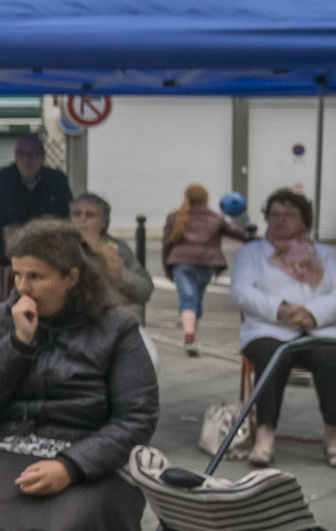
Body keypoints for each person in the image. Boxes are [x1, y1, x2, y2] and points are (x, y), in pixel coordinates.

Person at [0, 219, 159, 531]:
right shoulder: (2, 321)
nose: (22, 287)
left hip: (93, 454)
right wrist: (18, 344)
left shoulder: (116, 328)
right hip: (10, 445)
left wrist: (71, 466)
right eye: (18, 275)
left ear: (71, 277)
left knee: (74, 522)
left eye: (36, 276)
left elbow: (137, 417)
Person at [230, 189, 336, 468]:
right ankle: (265, 435)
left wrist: (313, 313)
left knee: (330, 359)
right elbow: (242, 292)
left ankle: (333, 435)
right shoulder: (252, 253)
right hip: (268, 328)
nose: (280, 220)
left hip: (318, 329)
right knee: (272, 356)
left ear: (304, 220)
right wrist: (283, 309)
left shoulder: (325, 254)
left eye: (289, 215)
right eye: (274, 214)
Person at [164, 183, 246, 356]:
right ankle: (192, 337)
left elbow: (167, 243)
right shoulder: (216, 218)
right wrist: (257, 237)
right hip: (206, 264)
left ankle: (189, 337)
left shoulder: (175, 217)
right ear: (206, 199)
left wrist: (167, 267)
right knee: (197, 300)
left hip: (181, 262)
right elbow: (237, 235)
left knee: (187, 300)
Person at [0, 134, 72, 302]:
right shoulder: (3, 179)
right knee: (8, 300)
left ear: (42, 156)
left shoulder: (57, 180)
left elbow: (65, 221)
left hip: (48, 253)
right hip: (10, 252)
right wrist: (3, 259)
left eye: (32, 154)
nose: (26, 160)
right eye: (21, 154)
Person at [70, 193, 154, 326]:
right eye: (77, 214)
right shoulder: (61, 247)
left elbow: (144, 290)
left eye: (90, 215)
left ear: (104, 222)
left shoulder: (118, 248)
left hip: (115, 319)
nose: (82, 219)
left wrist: (120, 275)